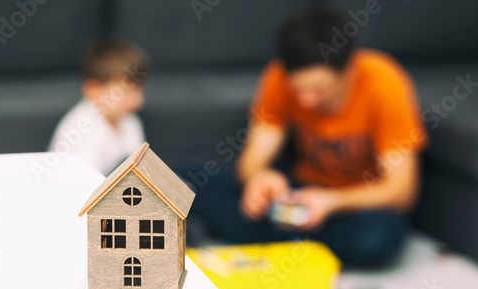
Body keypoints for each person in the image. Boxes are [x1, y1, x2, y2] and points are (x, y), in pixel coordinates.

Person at [179, 5, 428, 268]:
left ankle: (277, 237)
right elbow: (251, 162)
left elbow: (401, 192)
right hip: (298, 193)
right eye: (298, 89)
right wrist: (260, 178)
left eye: (319, 90)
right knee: (183, 179)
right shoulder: (278, 76)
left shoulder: (384, 83)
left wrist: (331, 202)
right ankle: (300, 239)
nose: (306, 101)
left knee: (377, 239)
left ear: (349, 70)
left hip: (353, 205)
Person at [49, 36, 149, 175]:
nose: (137, 101)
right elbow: (84, 187)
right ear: (93, 90)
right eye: (125, 93)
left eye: (138, 91)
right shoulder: (81, 129)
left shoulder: (130, 121)